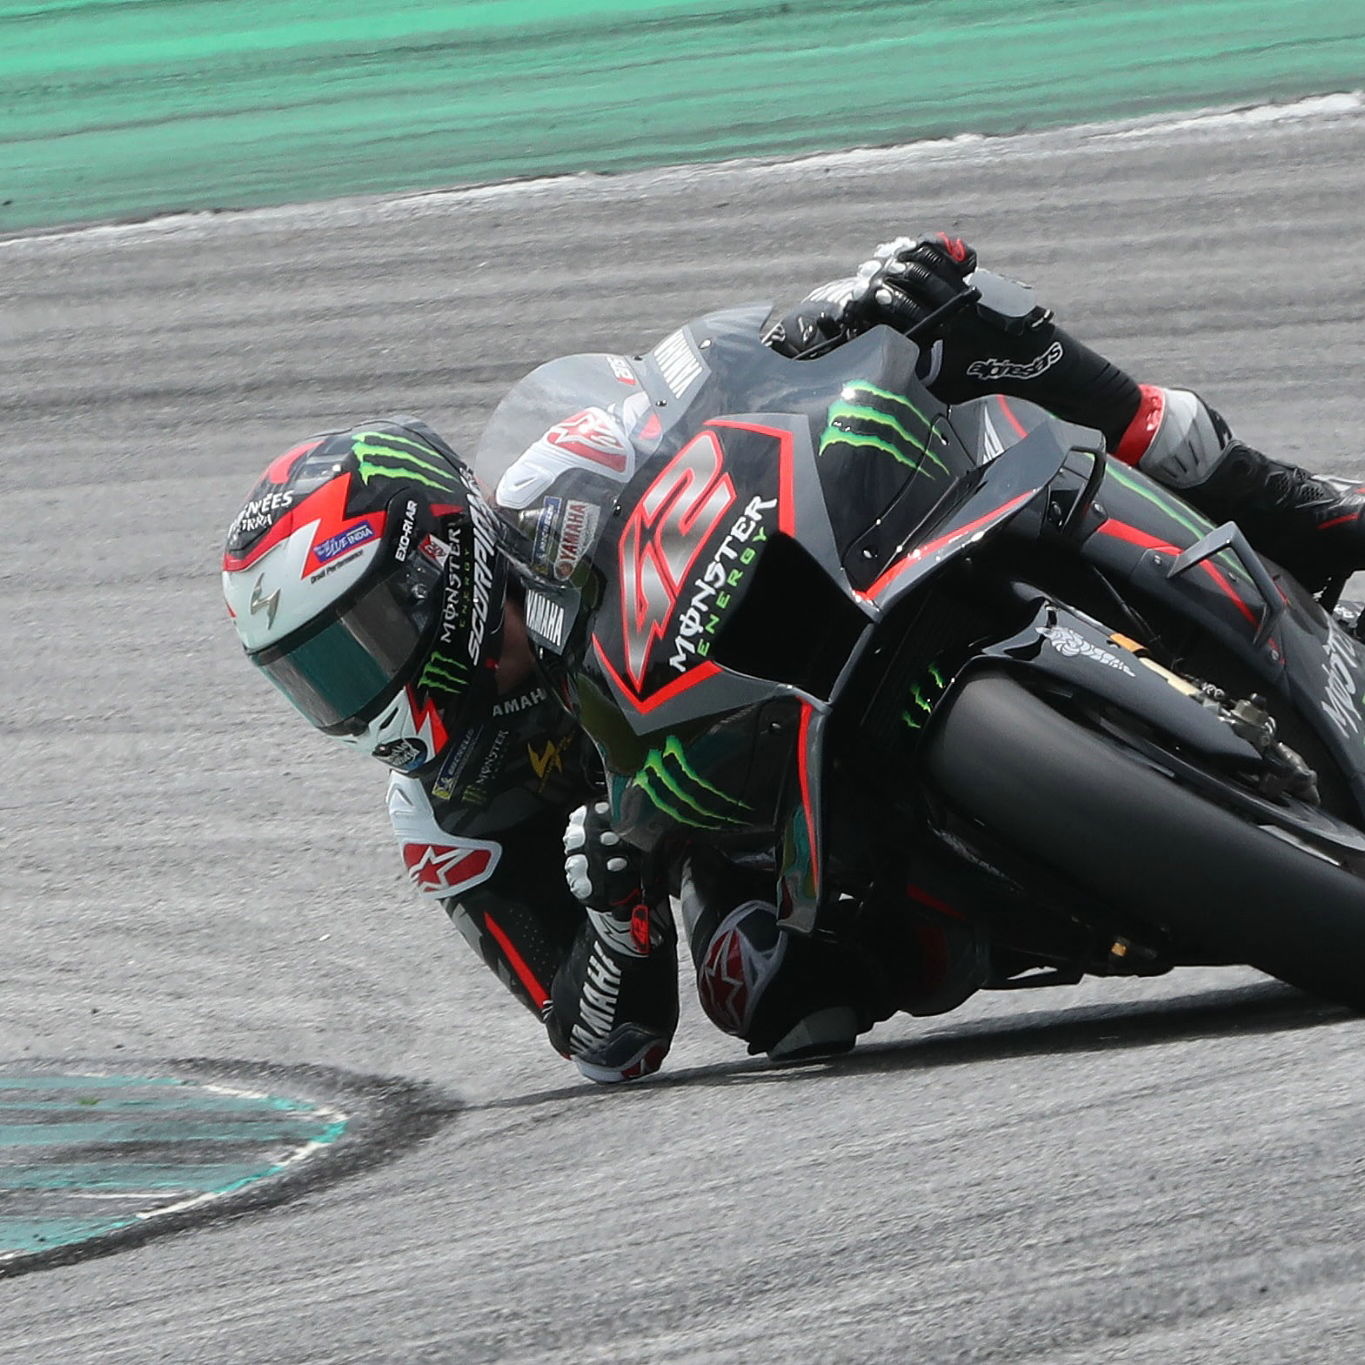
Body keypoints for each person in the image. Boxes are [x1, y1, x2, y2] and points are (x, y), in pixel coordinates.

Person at [222, 233, 1365, 1083]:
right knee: (767, 992)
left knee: (975, 324)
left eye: (357, 639)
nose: (359, 688)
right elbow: (599, 1040)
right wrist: (619, 910)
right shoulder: (449, 807)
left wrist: (849, 307)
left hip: (834, 569)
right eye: (314, 673)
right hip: (748, 824)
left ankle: (1292, 511)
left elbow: (706, 370)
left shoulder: (550, 480)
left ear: (434, 559)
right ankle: (1051, 876)